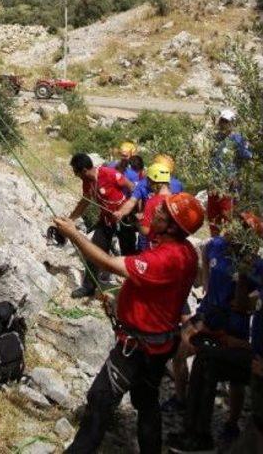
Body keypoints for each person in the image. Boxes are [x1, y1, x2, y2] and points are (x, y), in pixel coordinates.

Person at [54, 193, 204, 454]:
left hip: (137, 349)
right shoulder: (186, 252)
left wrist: (73, 233)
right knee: (146, 401)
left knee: (100, 398)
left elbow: (109, 263)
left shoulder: (165, 258)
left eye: (163, 213)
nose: (155, 212)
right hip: (161, 343)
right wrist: (118, 301)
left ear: (172, 227)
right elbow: (155, 291)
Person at [166, 212, 263, 452]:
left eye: (244, 228)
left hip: (233, 324)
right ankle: (183, 402)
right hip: (209, 312)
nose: (236, 229)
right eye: (238, 223)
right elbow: (206, 254)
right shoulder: (217, 245)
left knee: (232, 380)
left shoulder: (255, 263)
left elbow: (247, 302)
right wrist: (207, 288)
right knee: (183, 352)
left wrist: (244, 289)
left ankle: (230, 423)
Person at [67, 153, 133, 299]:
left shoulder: (109, 174)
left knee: (129, 255)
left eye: (76, 172)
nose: (75, 175)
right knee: (93, 251)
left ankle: (134, 290)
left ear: (83, 170)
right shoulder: (87, 182)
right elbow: (85, 201)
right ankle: (89, 287)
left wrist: (129, 210)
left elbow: (131, 187)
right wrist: (70, 219)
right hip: (106, 220)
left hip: (124, 219)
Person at [207, 109, 253, 236]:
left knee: (228, 217)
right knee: (213, 217)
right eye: (222, 120)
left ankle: (229, 246)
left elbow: (248, 156)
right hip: (214, 186)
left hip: (229, 187)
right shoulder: (216, 138)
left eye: (227, 121)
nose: (224, 123)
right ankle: (214, 243)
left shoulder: (238, 140)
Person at [135, 163, 173, 252]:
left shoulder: (151, 202)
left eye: (148, 180)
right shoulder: (175, 199)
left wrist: (138, 222)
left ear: (152, 182)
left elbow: (145, 231)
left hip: (156, 249)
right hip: (172, 249)